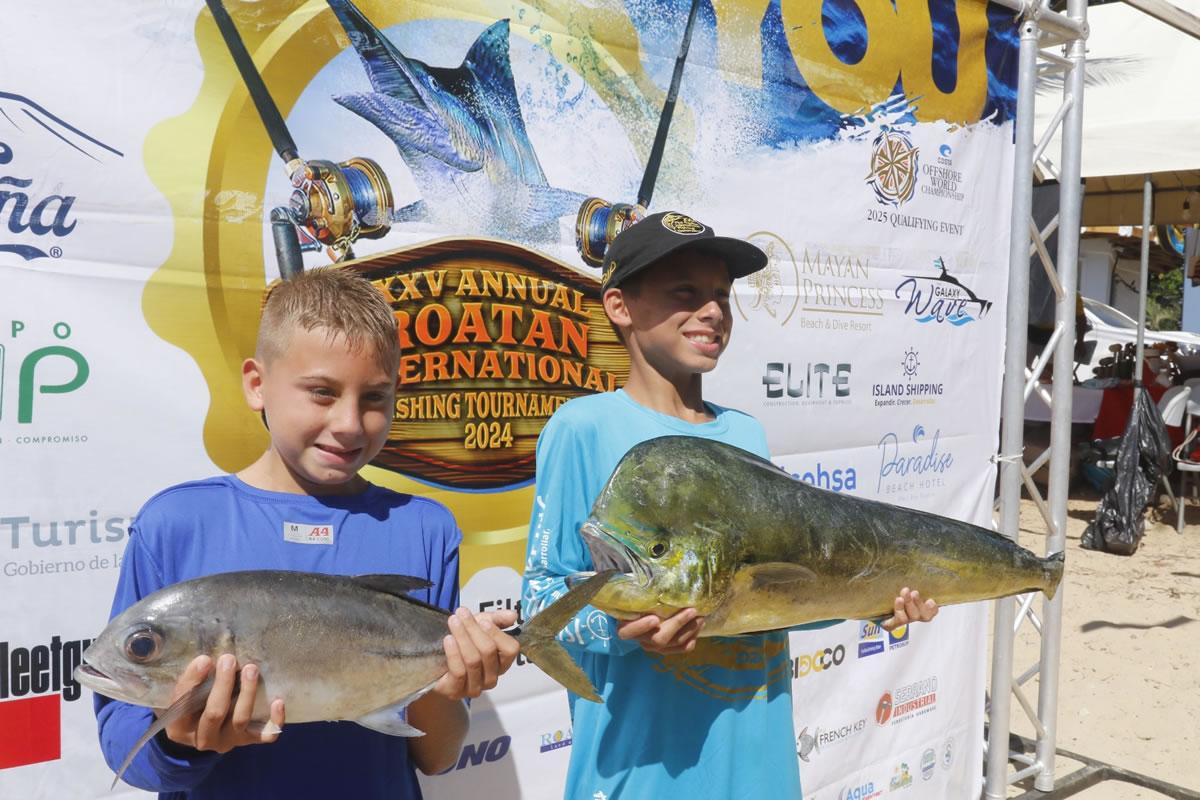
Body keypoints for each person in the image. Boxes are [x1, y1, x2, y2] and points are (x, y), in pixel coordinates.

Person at [520, 211, 939, 799]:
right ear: (620, 306)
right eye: (684, 293)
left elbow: (781, 594)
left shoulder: (745, 434)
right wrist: (624, 630)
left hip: (757, 767)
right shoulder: (581, 428)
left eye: (722, 294)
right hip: (639, 773)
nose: (713, 310)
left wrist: (874, 600)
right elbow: (540, 599)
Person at [95, 267, 520, 799]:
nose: (348, 422)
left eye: (374, 398)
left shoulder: (424, 528)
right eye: (321, 392)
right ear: (257, 384)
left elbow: (436, 755)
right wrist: (180, 740)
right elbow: (124, 746)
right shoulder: (176, 524)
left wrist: (449, 681)